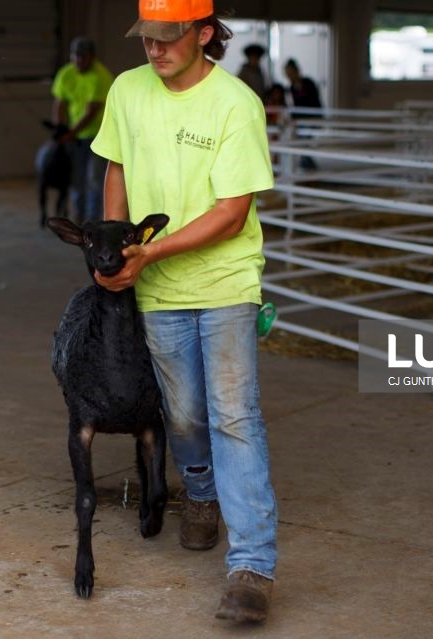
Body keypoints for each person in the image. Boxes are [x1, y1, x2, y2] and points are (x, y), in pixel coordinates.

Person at [91, 0, 278, 625]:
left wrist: (149, 253)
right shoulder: (127, 90)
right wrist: (117, 246)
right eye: (148, 38)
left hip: (224, 281)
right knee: (184, 413)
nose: (156, 50)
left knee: (234, 416)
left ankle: (251, 567)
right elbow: (117, 167)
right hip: (157, 288)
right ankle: (201, 493)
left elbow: (231, 213)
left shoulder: (235, 104)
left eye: (169, 38)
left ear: (204, 33)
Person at [51, 37, 114, 224]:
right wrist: (61, 129)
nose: (79, 60)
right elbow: (60, 104)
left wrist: (70, 134)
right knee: (76, 179)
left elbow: (91, 113)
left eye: (83, 56)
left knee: (95, 180)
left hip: (98, 136)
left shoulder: (101, 77)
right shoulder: (66, 74)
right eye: (75, 56)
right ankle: (78, 219)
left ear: (92, 57)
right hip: (75, 137)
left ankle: (92, 221)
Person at [283, 58, 322, 170]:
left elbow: (315, 102)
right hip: (299, 121)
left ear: (296, 71)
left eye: (290, 73)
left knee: (304, 143)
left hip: (311, 119)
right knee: (302, 144)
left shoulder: (308, 83)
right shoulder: (290, 89)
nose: (289, 76)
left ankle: (307, 166)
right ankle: (308, 166)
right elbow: (292, 106)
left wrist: (316, 117)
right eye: (287, 74)